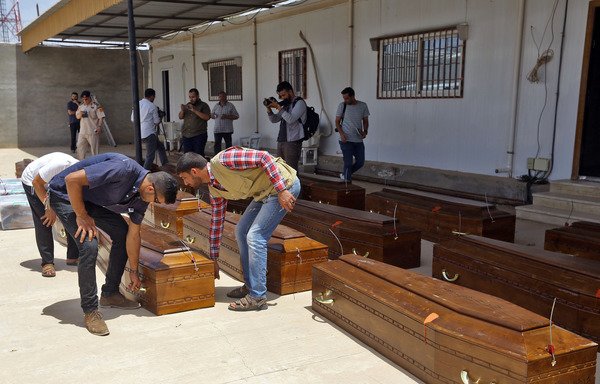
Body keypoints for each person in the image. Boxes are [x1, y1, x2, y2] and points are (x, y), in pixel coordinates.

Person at [48, 153, 179, 336]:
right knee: (89, 245)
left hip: (87, 199)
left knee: (122, 232)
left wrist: (133, 271)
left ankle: (110, 293)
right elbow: (71, 180)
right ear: (150, 188)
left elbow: (133, 234)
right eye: (157, 200)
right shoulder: (122, 169)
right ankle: (90, 311)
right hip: (64, 194)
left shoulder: (142, 198)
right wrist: (82, 216)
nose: (154, 204)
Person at [176, 147, 300, 311]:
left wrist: (282, 190)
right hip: (264, 192)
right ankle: (250, 286)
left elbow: (264, 158)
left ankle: (257, 296)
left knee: (255, 237)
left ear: (194, 171)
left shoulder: (225, 160)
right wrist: (214, 259)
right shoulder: (214, 189)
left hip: (284, 186)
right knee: (240, 231)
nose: (186, 183)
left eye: (185, 178)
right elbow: (217, 222)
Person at [21, 152, 80, 277]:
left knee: (71, 215)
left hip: (53, 183)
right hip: (33, 181)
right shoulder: (61, 165)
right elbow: (37, 183)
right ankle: (47, 262)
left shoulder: (80, 174)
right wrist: (49, 207)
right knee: (45, 219)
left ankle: (73, 256)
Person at [266, 81, 306, 171]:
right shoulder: (286, 104)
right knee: (280, 169)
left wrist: (278, 107)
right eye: (281, 96)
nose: (282, 98)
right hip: (281, 140)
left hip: (293, 141)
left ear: (290, 91)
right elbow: (274, 119)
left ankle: (295, 186)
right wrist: (268, 108)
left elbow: (291, 119)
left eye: (284, 95)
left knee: (291, 170)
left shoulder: (299, 103)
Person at [335, 87, 369, 181]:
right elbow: (337, 122)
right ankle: (347, 183)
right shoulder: (342, 106)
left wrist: (365, 131)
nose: (345, 100)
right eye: (344, 98)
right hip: (345, 139)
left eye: (346, 98)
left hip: (358, 139)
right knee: (348, 163)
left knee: (360, 162)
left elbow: (365, 121)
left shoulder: (363, 106)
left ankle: (345, 174)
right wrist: (341, 134)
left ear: (353, 96)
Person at [132, 88, 169, 170]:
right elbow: (156, 122)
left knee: (160, 146)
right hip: (149, 133)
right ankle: (144, 172)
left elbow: (132, 118)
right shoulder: (152, 106)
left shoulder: (137, 104)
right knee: (150, 155)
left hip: (139, 132)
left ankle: (165, 164)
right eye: (154, 97)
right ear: (152, 96)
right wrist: (160, 116)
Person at [178, 88, 211, 156]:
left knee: (198, 156)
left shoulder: (204, 105)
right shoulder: (188, 105)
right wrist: (182, 110)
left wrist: (194, 110)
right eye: (190, 97)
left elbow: (207, 117)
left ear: (198, 96)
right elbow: (180, 117)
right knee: (187, 156)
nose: (191, 99)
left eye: (193, 97)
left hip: (199, 135)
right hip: (186, 135)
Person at [76, 90, 105, 160]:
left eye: (86, 99)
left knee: (95, 151)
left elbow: (101, 117)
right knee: (80, 148)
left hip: (93, 131)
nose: (84, 100)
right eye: (83, 99)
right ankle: (81, 163)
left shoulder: (97, 106)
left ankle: (96, 165)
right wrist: (80, 114)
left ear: (90, 98)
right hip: (83, 132)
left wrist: (99, 127)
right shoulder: (81, 107)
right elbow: (77, 117)